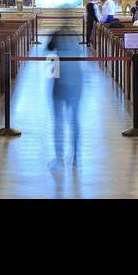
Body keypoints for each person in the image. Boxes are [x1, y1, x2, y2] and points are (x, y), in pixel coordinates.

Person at [47, 29, 82, 172]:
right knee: (73, 118)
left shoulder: (57, 33)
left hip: (60, 78)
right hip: (75, 77)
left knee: (59, 120)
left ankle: (59, 157)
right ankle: (75, 155)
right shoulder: (74, 34)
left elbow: (49, 49)